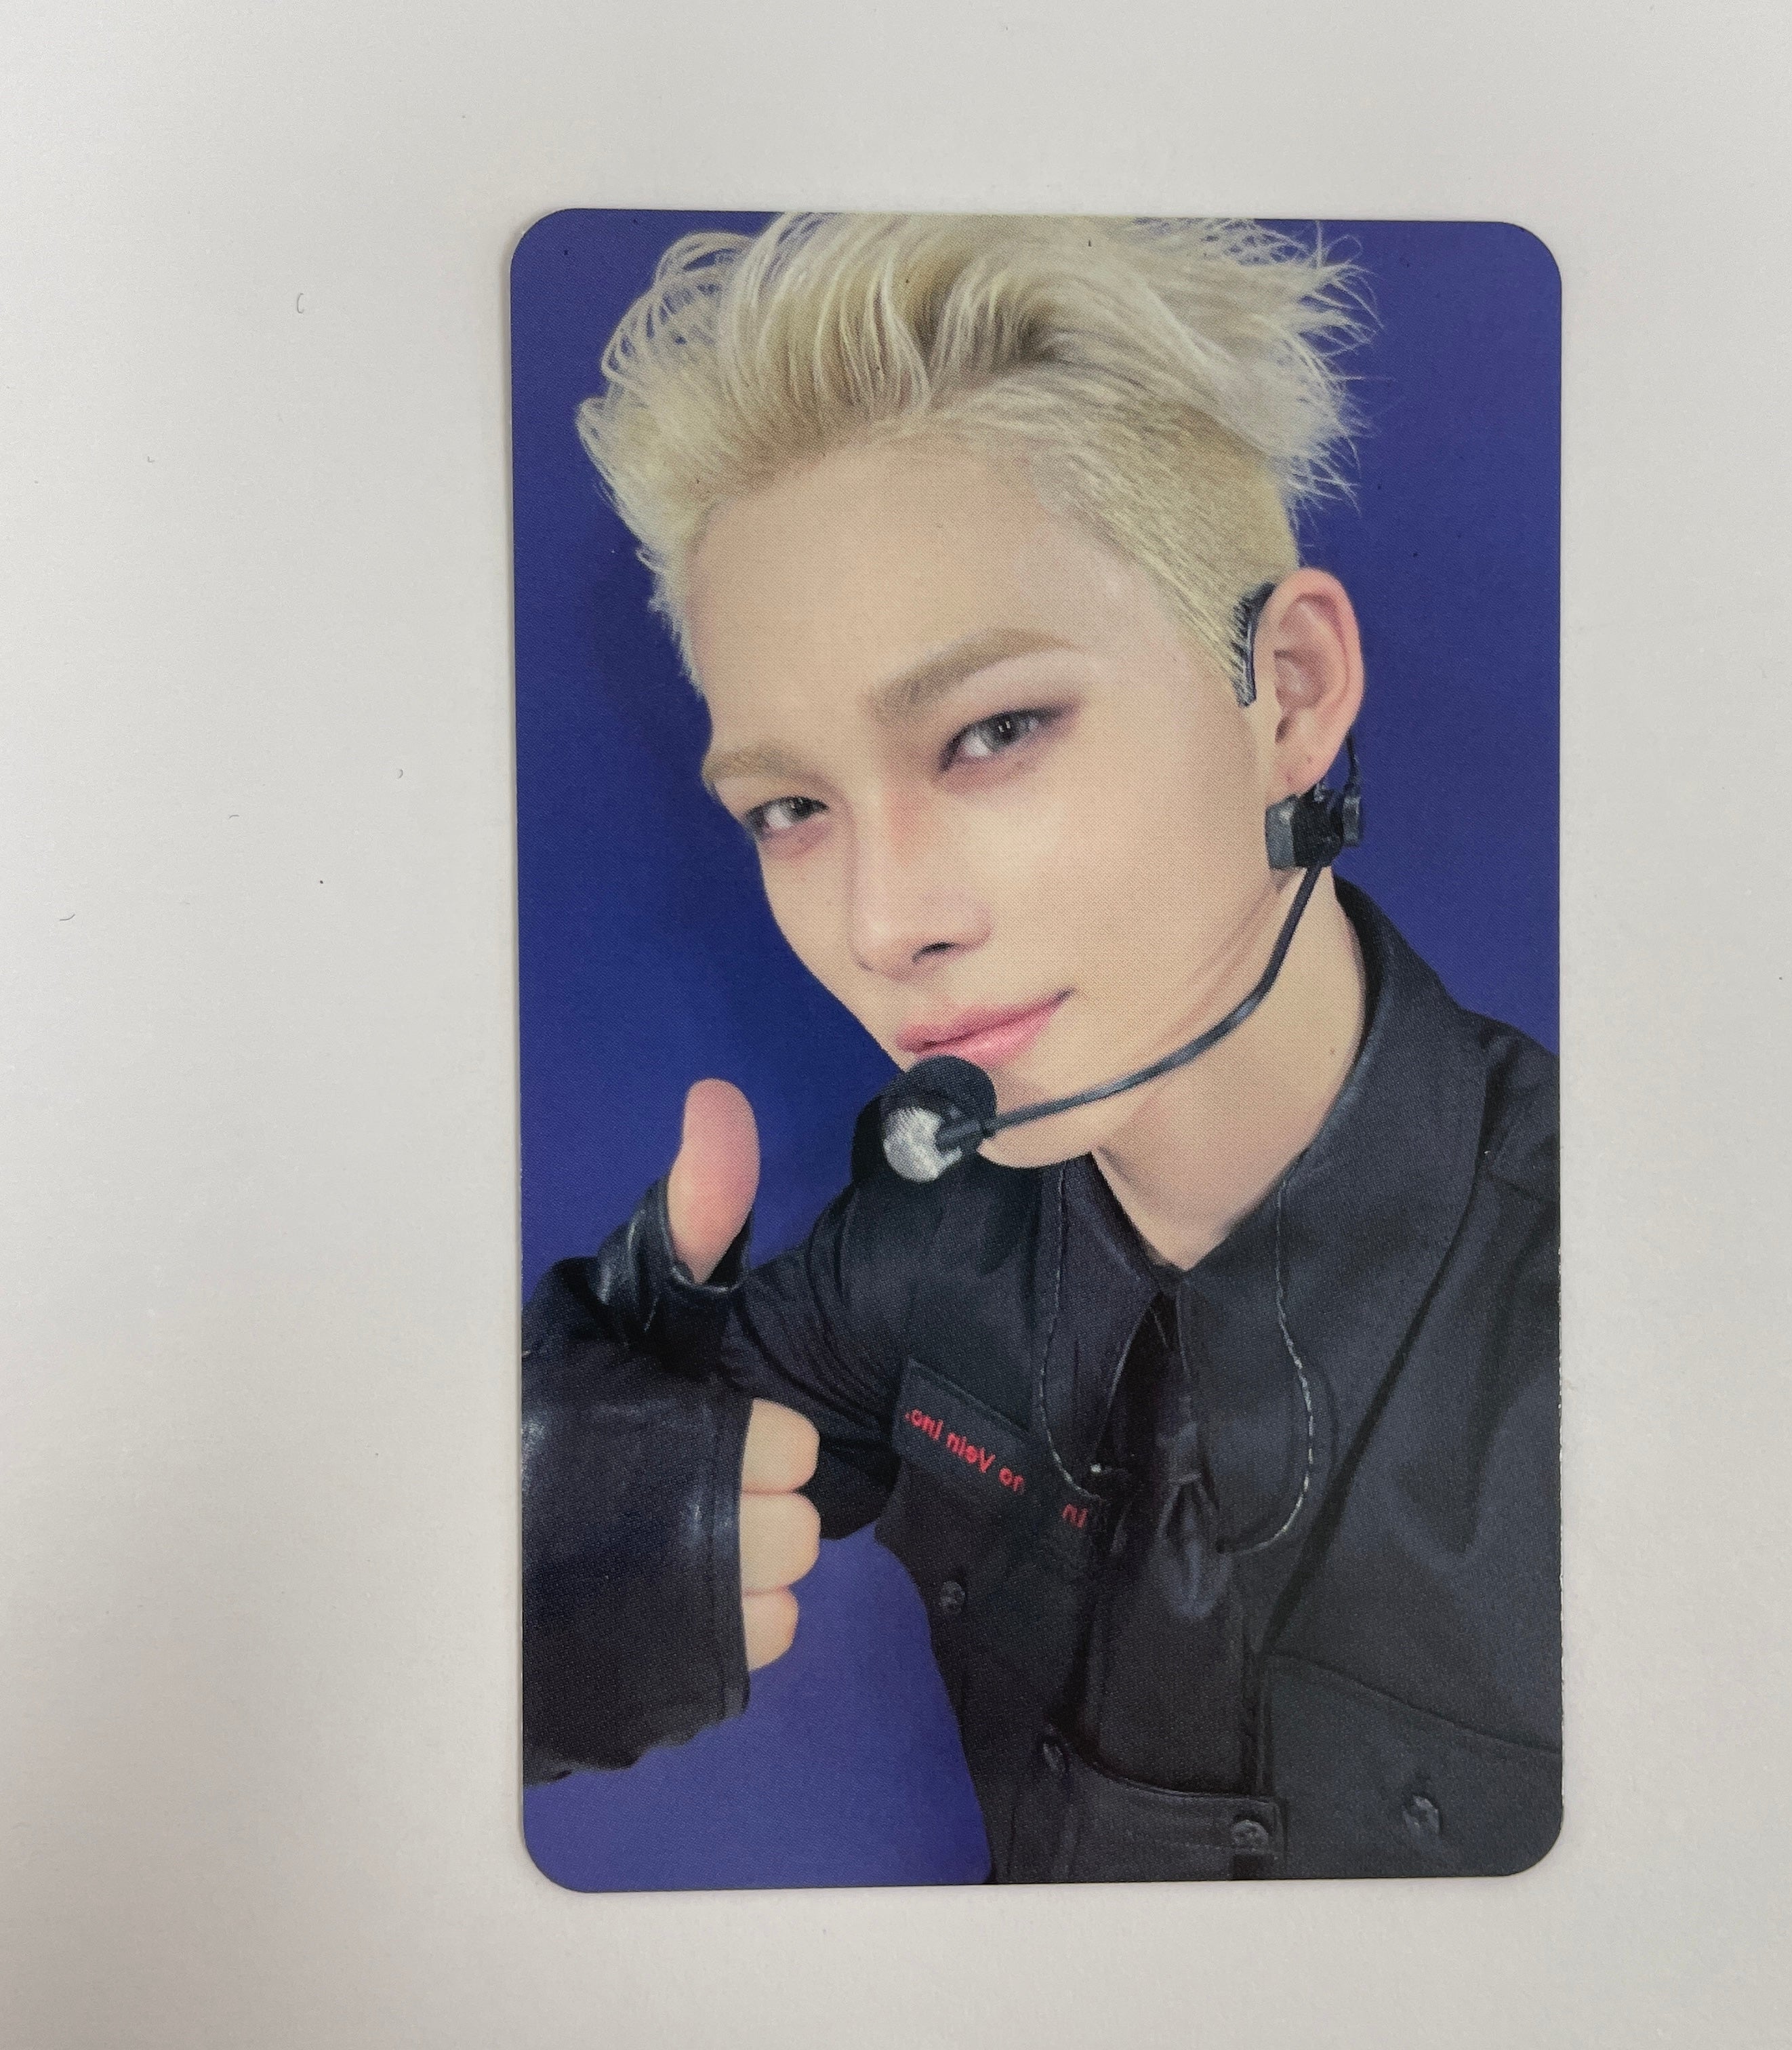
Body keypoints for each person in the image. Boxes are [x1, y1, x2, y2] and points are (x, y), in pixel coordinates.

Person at [521, 214, 1560, 1881]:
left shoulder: (1634, 1329)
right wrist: (506, 1568)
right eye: (789, 810)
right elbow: (622, 1505)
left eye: (994, 731)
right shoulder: (917, 1248)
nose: (883, 923)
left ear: (1290, 695)